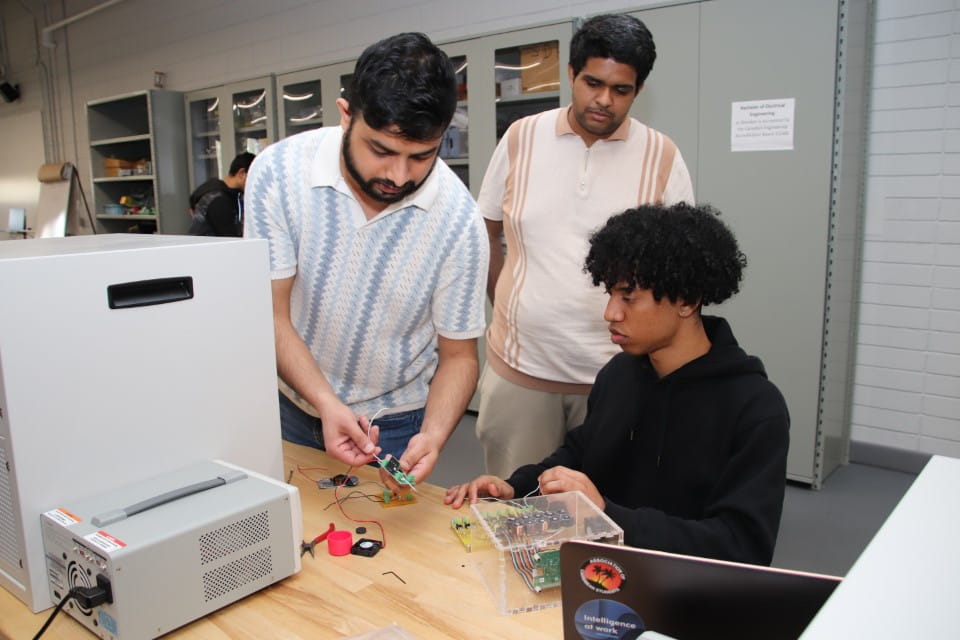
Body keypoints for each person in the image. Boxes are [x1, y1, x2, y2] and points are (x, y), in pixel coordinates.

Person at [447, 203, 789, 566]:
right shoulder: (619, 374)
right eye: (609, 294)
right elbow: (579, 454)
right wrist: (516, 487)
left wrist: (606, 514)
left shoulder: (755, 408)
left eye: (628, 297)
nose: (610, 313)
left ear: (687, 300)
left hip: (684, 596)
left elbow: (741, 547)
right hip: (602, 572)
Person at [244, 33, 488, 483]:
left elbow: (459, 357)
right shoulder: (278, 174)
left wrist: (433, 434)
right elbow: (270, 314)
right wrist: (325, 401)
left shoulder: (458, 220)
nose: (399, 176)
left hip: (395, 422)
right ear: (345, 115)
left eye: (422, 156)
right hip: (292, 405)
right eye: (381, 150)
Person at [476, 13, 695, 478]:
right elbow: (486, 230)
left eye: (621, 90)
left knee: (599, 521)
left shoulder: (662, 155)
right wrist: (507, 301)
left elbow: (681, 267)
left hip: (619, 377)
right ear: (571, 74)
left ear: (638, 91)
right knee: (515, 512)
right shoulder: (521, 137)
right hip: (521, 371)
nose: (603, 100)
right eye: (593, 82)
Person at [188, 151, 255, 237]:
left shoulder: (225, 194)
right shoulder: (219, 200)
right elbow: (230, 238)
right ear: (241, 173)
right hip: (210, 249)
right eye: (254, 177)